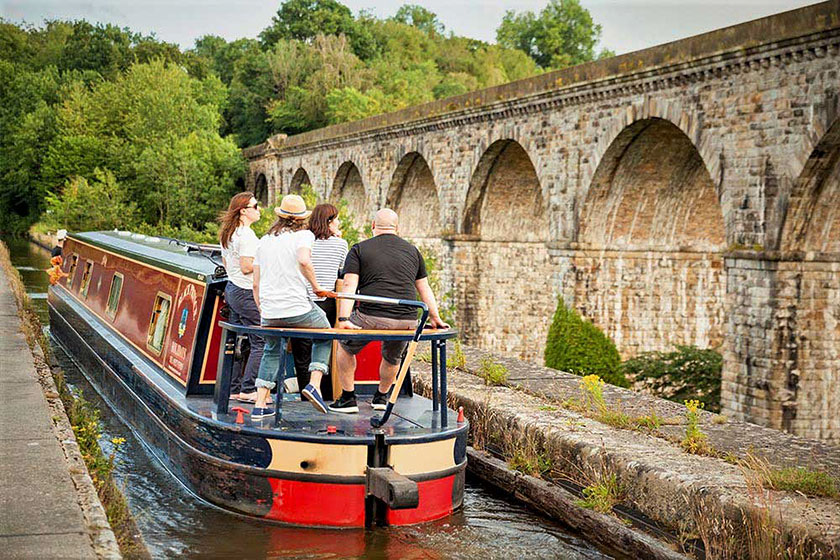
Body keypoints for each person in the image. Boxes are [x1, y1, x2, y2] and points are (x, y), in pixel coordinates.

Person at [330, 208, 449, 414]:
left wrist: (343, 318)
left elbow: (349, 285)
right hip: (408, 320)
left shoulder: (359, 249)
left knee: (345, 348)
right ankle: (382, 397)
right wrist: (435, 317)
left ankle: (348, 398)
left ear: (373, 226)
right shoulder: (413, 251)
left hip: (370, 317)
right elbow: (424, 288)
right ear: (397, 228)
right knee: (393, 357)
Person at [251, 194, 335, 418]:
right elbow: (304, 260)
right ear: (301, 219)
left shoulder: (264, 240)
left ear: (280, 216)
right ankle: (314, 385)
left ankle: (260, 404)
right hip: (297, 308)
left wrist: (262, 309)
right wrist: (316, 286)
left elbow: (256, 283)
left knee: (270, 349)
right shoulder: (304, 235)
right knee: (325, 332)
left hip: (269, 311)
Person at [290, 204, 348, 395]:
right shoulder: (340, 244)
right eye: (336, 219)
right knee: (324, 349)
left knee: (302, 353)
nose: (339, 222)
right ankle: (325, 393)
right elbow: (341, 270)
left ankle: (305, 396)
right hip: (327, 301)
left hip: (302, 301)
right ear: (329, 222)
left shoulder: (302, 241)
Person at [219, 192, 266, 404]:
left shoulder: (228, 233)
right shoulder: (246, 235)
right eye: (255, 206)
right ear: (244, 210)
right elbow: (247, 266)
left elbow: (227, 263)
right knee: (261, 341)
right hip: (246, 292)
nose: (259, 210)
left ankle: (234, 388)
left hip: (232, 289)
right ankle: (249, 389)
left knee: (239, 342)